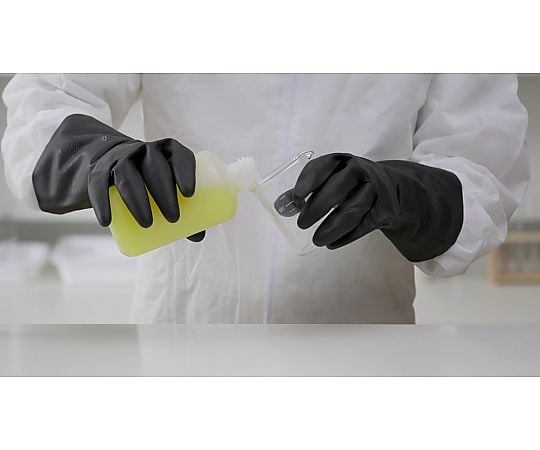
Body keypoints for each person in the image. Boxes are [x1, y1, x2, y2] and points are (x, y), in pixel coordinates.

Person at [1, 74, 529, 324]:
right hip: (184, 345)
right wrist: (96, 156)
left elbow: (481, 167)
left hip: (362, 353)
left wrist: (405, 192)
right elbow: (47, 96)